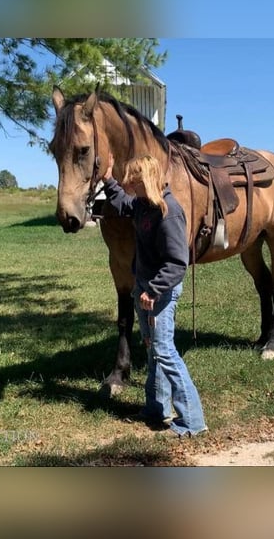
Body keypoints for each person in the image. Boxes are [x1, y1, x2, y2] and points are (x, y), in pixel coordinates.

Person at [102, 153, 208, 437]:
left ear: (145, 180)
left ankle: (193, 421)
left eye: (133, 181)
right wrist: (107, 177)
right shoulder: (142, 205)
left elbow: (177, 262)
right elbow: (122, 203)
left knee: (164, 351)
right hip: (145, 289)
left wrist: (154, 289)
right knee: (153, 350)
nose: (129, 185)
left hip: (159, 293)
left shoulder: (168, 211)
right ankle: (155, 408)